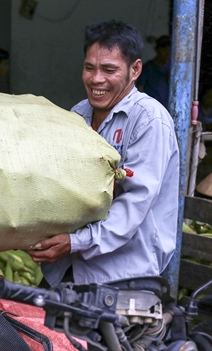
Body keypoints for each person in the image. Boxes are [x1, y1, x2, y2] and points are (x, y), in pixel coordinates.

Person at [26, 20, 179, 287]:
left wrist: (76, 241)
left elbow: (135, 201)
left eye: (109, 70)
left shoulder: (150, 119)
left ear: (135, 69)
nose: (96, 79)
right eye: (89, 68)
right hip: (68, 266)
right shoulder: (79, 114)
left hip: (124, 273)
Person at [136, 35, 171, 109]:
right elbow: (139, 89)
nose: (167, 54)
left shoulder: (174, 69)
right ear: (156, 50)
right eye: (164, 50)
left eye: (169, 50)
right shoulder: (148, 68)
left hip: (169, 109)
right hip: (151, 110)